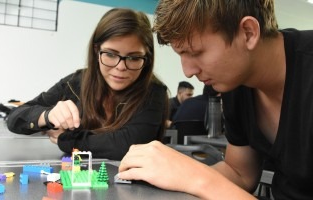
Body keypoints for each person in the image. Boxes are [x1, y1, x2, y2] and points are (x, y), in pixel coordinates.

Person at [118, 0, 313, 199]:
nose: (188, 71)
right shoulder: (236, 80)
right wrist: (176, 173)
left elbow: (213, 183)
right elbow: (240, 174)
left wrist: (197, 178)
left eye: (196, 53)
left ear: (248, 33)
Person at [7, 8, 168, 161]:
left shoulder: (154, 92)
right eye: (111, 54)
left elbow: (126, 145)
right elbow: (15, 118)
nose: (121, 67)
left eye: (133, 58)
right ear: (96, 50)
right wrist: (47, 116)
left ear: (147, 59)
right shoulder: (76, 82)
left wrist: (66, 139)